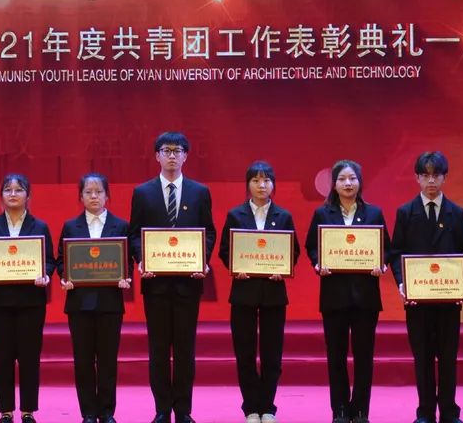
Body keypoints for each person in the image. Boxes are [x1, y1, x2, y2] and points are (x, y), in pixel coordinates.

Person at [128, 132, 215, 423]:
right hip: (156, 284)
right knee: (158, 350)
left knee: (185, 350)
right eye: (166, 150)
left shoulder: (199, 192)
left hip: (188, 283)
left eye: (178, 151)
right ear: (157, 156)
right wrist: (141, 260)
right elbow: (134, 234)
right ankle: (162, 409)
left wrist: (202, 260)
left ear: (186, 156)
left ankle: (184, 410)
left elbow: (209, 231)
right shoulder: (143, 192)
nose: (172, 155)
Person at [304, 159, 390, 423]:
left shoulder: (374, 213)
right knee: (336, 356)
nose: (348, 183)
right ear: (334, 184)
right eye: (342, 179)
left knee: (364, 357)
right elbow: (311, 246)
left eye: (352, 178)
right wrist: (318, 263)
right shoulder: (322, 214)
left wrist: (381, 264)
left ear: (360, 182)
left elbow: (386, 248)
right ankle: (340, 409)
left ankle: (361, 409)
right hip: (334, 296)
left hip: (366, 297)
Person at [388, 152, 463, 423]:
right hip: (417, 301)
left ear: (445, 177)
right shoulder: (405, 212)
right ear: (417, 178)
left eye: (436, 175)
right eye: (425, 175)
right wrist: (403, 283)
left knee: (448, 358)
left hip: (448, 299)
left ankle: (449, 412)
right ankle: (424, 412)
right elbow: (396, 253)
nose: (431, 181)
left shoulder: (457, 213)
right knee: (422, 357)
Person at [217, 161, 299, 423]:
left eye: (266, 180)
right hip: (244, 292)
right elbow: (225, 250)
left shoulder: (283, 216)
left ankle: (268, 407)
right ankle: (251, 408)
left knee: (272, 354)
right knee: (245, 353)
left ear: (273, 184)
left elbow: (293, 251)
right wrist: (235, 267)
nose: (261, 185)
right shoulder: (235, 215)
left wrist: (282, 269)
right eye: (256, 180)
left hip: (274, 293)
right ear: (248, 184)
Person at [0, 174, 57, 423]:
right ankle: (6, 411)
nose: (13, 194)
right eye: (8, 190)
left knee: (30, 357)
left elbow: (49, 261)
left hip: (31, 301)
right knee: (2, 357)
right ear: (1, 195)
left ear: (28, 196)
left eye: (19, 190)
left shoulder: (39, 226)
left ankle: (28, 410)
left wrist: (45, 275)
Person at [58, 173, 132, 423]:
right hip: (79, 303)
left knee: (108, 361)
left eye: (98, 192)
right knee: (83, 361)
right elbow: (62, 260)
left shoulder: (121, 225)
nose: (93, 196)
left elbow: (127, 261)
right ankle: (88, 412)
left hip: (110, 303)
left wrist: (125, 277)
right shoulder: (71, 226)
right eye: (88, 192)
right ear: (80, 197)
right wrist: (65, 277)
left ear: (107, 195)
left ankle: (107, 412)